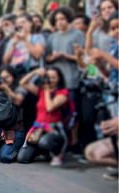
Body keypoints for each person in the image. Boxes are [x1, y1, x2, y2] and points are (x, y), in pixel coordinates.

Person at [46, 6, 85, 158]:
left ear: (68, 19)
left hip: (72, 79)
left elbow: (83, 58)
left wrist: (65, 55)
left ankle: (75, 143)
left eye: (62, 19)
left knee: (72, 113)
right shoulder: (52, 37)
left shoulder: (78, 34)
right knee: (57, 113)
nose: (60, 22)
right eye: (57, 20)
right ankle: (61, 143)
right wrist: (54, 57)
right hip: (56, 82)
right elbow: (47, 57)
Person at [86, 11, 119, 179]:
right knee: (94, 151)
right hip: (113, 97)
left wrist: (104, 55)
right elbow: (111, 72)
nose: (116, 31)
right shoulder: (115, 47)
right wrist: (100, 65)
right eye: (113, 28)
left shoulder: (110, 51)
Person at [18, 67, 70, 166]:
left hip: (54, 130)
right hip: (38, 131)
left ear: (59, 79)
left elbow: (50, 107)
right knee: (22, 158)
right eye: (48, 77)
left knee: (44, 142)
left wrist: (47, 90)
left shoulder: (63, 92)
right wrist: (35, 72)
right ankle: (44, 152)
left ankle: (57, 153)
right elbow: (23, 83)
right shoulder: (41, 90)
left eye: (53, 77)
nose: (50, 80)